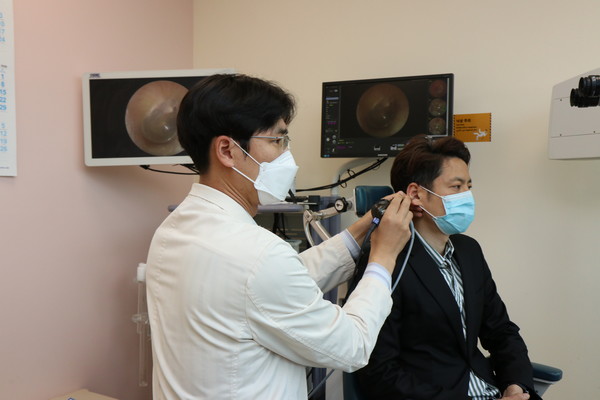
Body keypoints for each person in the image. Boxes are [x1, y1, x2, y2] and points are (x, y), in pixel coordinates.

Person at [145, 73, 414, 400]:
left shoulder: (171, 231)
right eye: (277, 141)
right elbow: (352, 346)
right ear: (227, 150)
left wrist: (362, 229)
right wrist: (383, 257)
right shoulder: (257, 255)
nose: (287, 157)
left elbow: (273, 284)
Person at [354, 135, 541, 400]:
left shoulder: (469, 251)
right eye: (456, 187)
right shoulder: (386, 262)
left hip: (495, 391)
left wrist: (516, 386)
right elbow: (379, 373)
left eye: (469, 186)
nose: (467, 196)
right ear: (416, 194)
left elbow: (502, 331)